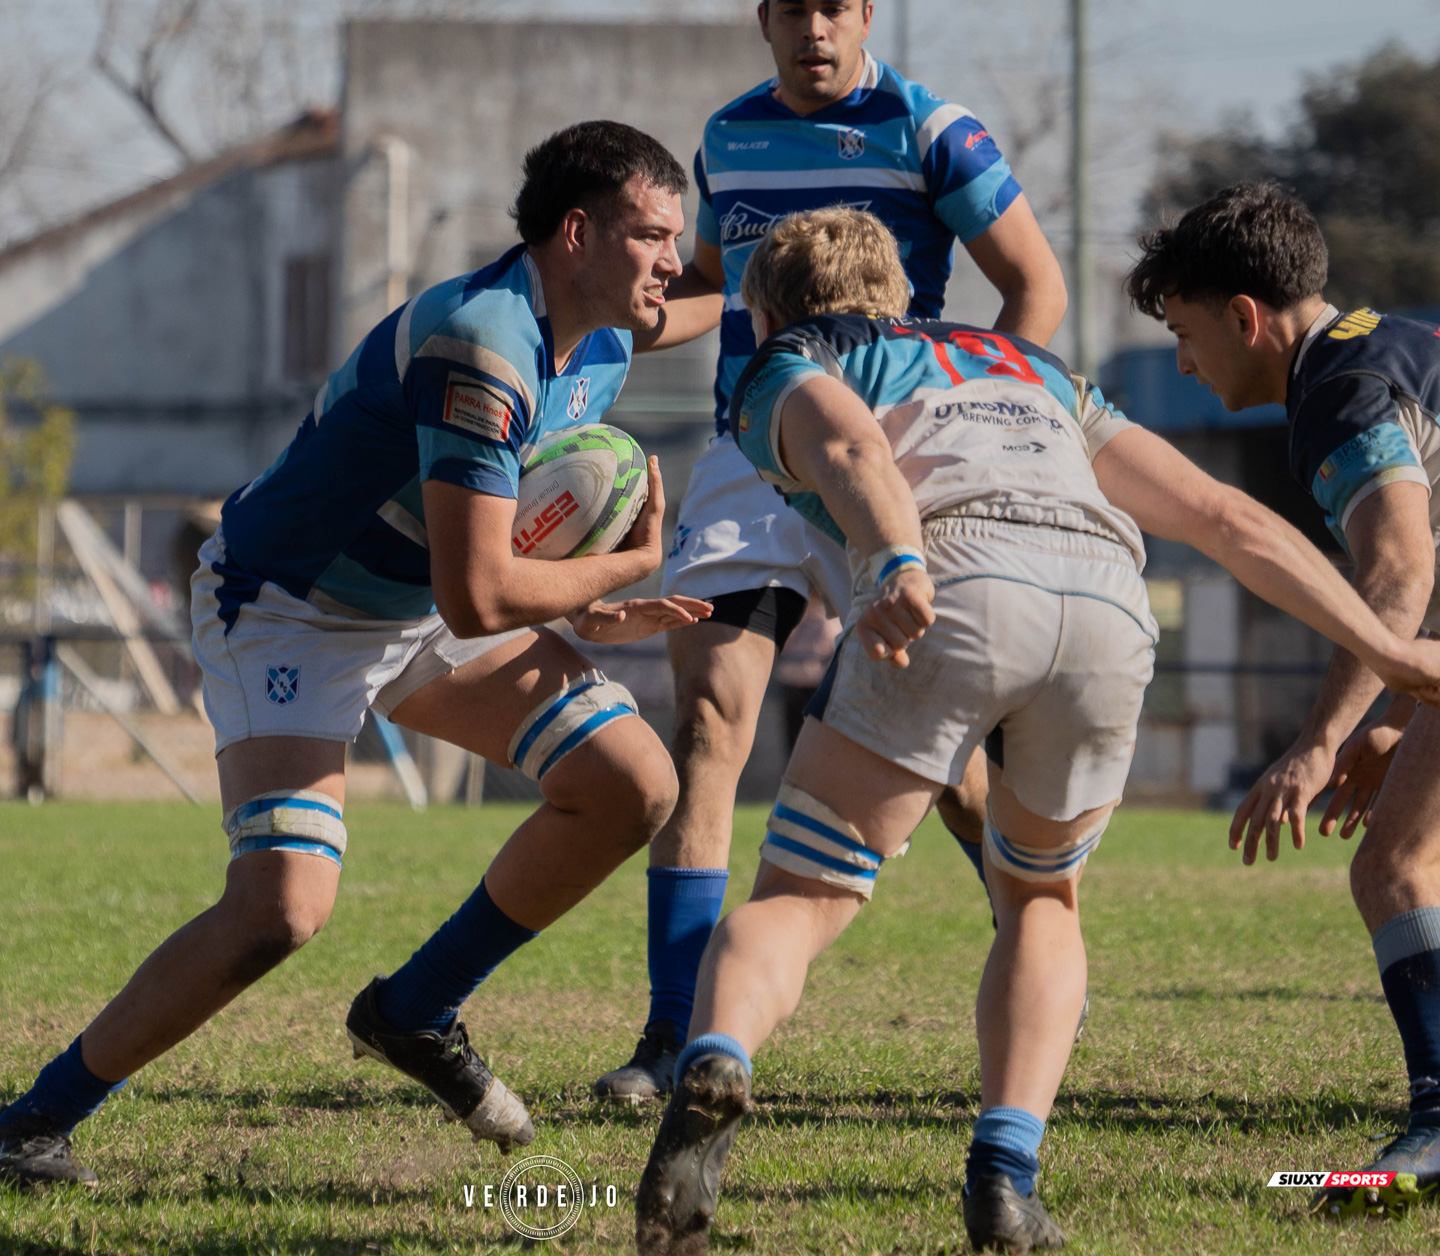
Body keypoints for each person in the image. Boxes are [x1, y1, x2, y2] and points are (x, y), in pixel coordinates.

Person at [632, 207, 1440, 1254]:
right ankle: (1005, 1177)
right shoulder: (1032, 363)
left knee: (806, 892)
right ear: (903, 298)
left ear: (765, 309)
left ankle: (721, 1053)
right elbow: (1225, 519)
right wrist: (1387, 654)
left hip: (952, 582)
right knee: (1043, 895)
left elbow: (846, 442)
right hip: (1107, 602)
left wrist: (894, 560)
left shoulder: (795, 355)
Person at [0, 121, 720, 1186]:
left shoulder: (600, 320)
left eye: (679, 237)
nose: (671, 261)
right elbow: (482, 590)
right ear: (579, 232)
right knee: (280, 910)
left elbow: (712, 296)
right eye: (653, 235)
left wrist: (811, 249)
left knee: (631, 784)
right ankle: (30, 1121)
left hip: (416, 603)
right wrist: (620, 568)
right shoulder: (483, 345)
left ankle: (415, 1010)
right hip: (291, 607)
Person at [593, 0, 1071, 1102]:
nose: (816, 25)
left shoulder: (934, 129)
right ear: (763, 18)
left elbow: (1034, 286)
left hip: (891, 461)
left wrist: (975, 414)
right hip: (752, 447)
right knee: (709, 724)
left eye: (837, 5)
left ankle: (1038, 935)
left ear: (865, 14)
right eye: (794, 6)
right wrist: (603, 309)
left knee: (944, 759)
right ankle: (673, 1032)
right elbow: (710, 285)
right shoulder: (726, 135)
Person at [1131, 183, 1440, 1218]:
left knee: (1397, 863)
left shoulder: (1338, 391)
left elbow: (1395, 576)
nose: (1183, 361)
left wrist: (1318, 741)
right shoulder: (1392, 340)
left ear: (1245, 316)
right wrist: (1396, 712)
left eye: (1183, 333)